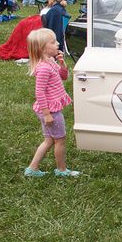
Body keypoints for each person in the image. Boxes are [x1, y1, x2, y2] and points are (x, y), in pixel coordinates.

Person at [24, 28, 79, 177]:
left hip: (49, 110)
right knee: (60, 140)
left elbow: (63, 77)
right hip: (50, 111)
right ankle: (61, 170)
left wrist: (62, 64)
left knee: (49, 140)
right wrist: (47, 114)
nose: (58, 44)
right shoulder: (43, 69)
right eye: (53, 42)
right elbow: (39, 92)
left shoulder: (51, 61)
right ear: (43, 48)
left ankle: (32, 169)